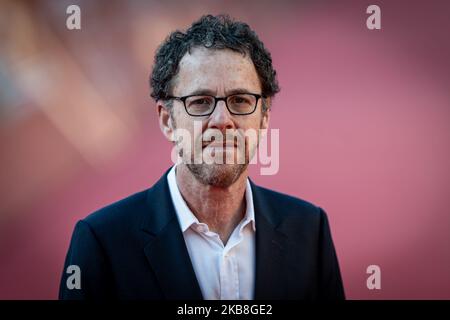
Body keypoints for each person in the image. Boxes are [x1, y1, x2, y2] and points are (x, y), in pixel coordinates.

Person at [59, 14, 345, 300]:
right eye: (200, 102)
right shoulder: (101, 243)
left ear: (264, 118)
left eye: (240, 100)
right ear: (167, 120)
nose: (222, 120)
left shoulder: (310, 231)